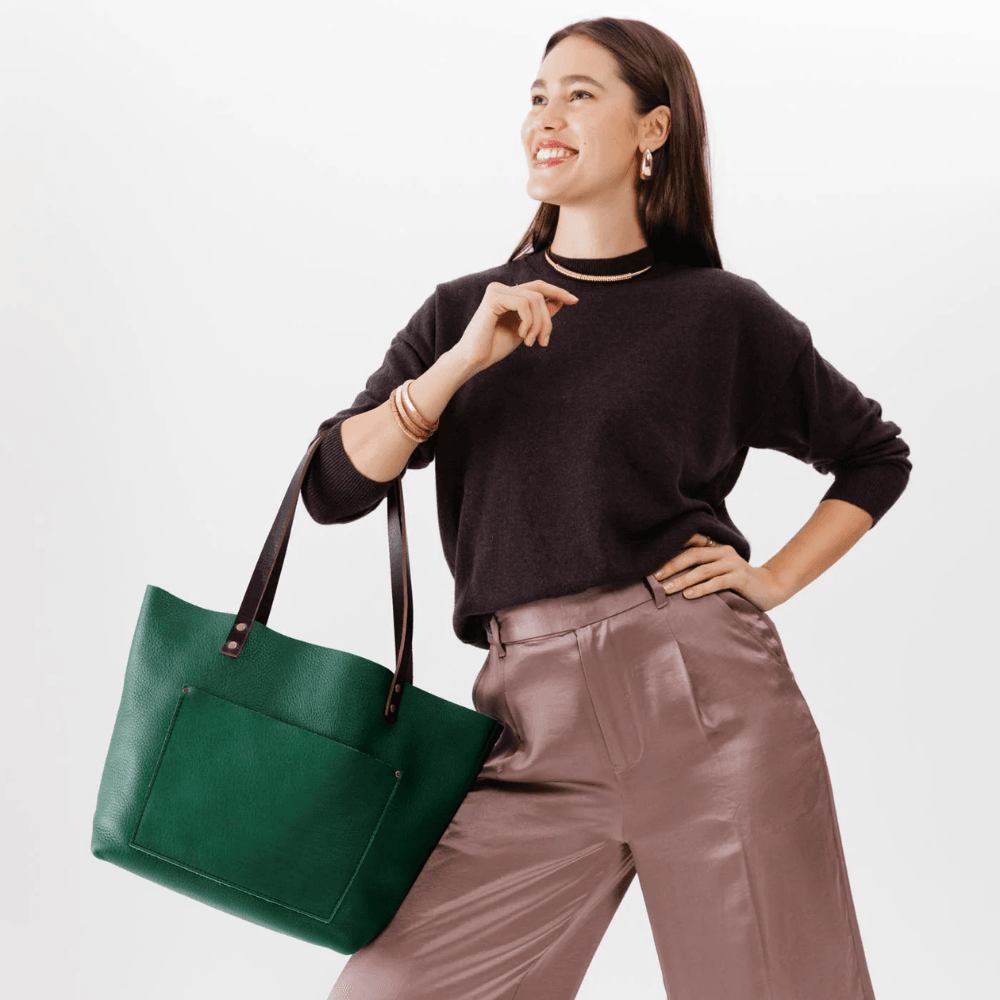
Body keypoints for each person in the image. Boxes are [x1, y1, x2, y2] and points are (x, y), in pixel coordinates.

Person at [303, 17, 909, 1000]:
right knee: (391, 988)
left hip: (702, 697)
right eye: (537, 96)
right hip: (526, 724)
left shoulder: (720, 312)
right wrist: (458, 368)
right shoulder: (462, 311)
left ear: (651, 130)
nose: (546, 117)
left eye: (579, 95)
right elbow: (333, 488)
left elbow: (873, 455)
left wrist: (773, 577)